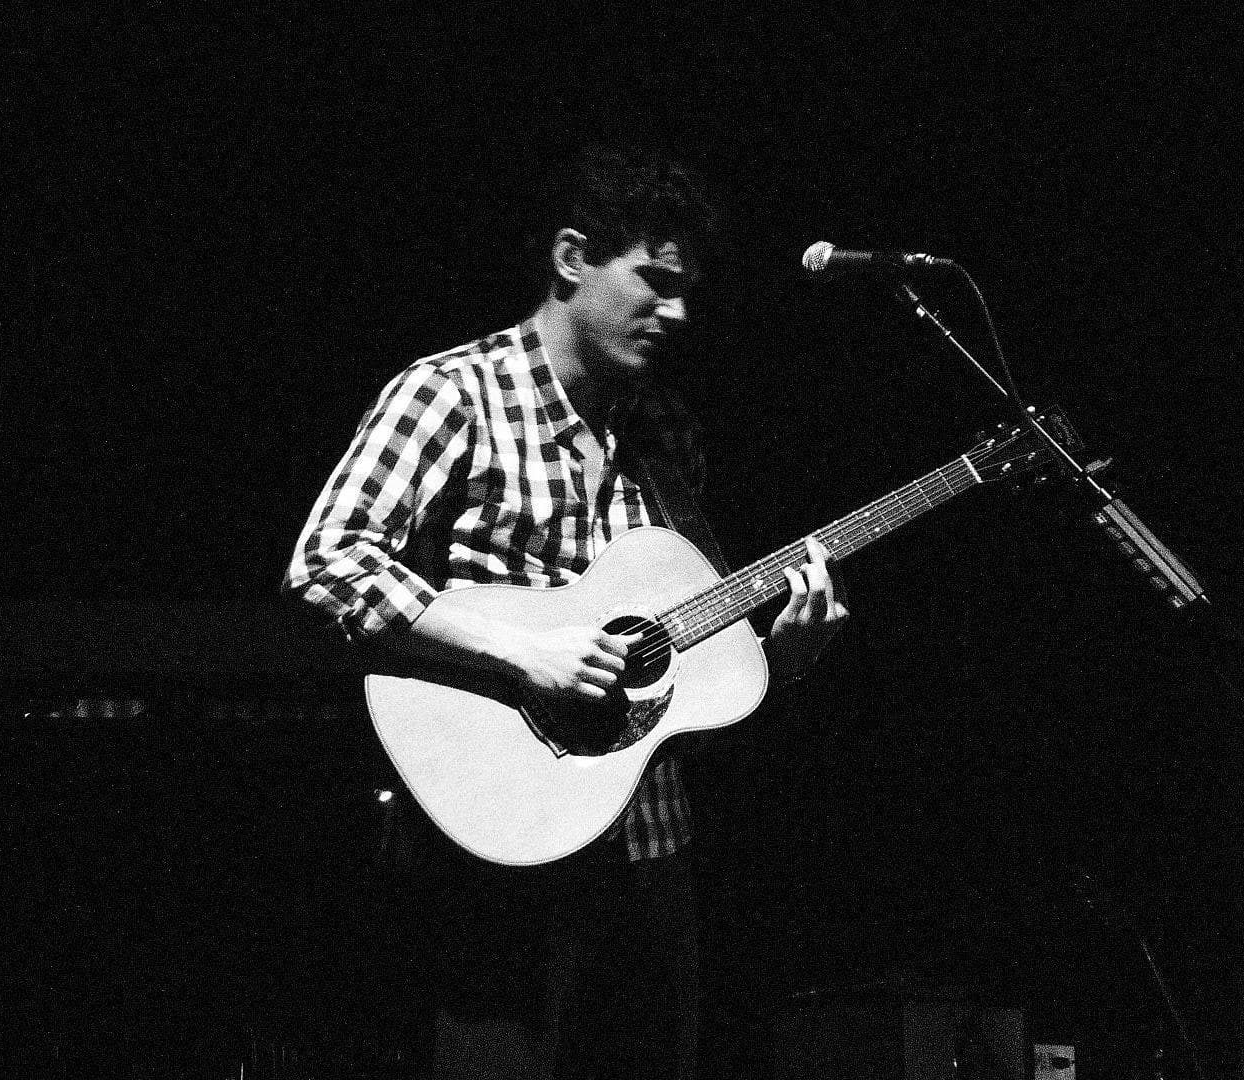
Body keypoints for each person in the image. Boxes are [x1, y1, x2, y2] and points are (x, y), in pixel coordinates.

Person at [285, 145, 846, 1079]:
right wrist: (524, 654)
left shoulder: (665, 428)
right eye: (656, 282)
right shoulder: (451, 392)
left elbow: (678, 639)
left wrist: (780, 661)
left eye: (690, 292)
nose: (677, 314)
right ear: (572, 256)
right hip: (499, 841)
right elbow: (327, 562)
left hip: (651, 838)